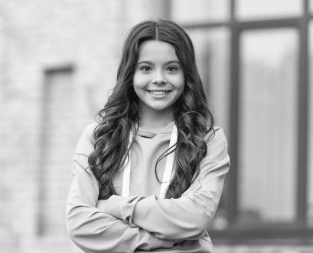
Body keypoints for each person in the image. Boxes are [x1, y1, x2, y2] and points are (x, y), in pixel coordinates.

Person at [66, 19, 230, 253]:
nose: (159, 78)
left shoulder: (208, 140)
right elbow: (79, 224)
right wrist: (159, 241)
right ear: (130, 73)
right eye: (146, 68)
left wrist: (117, 207)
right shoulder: (98, 137)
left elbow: (195, 217)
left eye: (172, 68)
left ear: (187, 75)